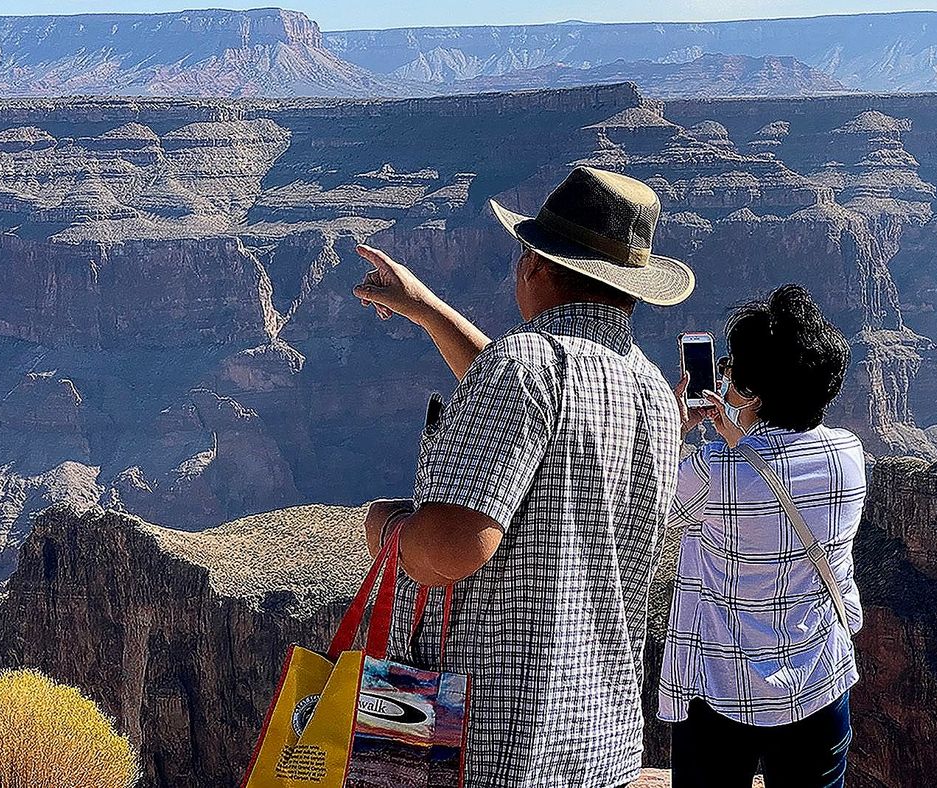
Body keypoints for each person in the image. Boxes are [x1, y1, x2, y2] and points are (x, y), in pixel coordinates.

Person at [351, 166, 694, 788]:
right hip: (596, 739)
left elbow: (457, 546)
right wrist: (427, 310)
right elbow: (537, 406)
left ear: (534, 265)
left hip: (482, 743)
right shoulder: (652, 394)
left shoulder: (523, 367)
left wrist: (388, 525)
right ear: (629, 287)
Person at [660, 285, 865, 788]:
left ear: (750, 391)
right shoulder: (849, 454)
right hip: (818, 683)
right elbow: (772, 471)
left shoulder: (712, 472)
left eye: (730, 371)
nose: (724, 379)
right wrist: (737, 436)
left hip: (720, 696)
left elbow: (648, 508)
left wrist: (677, 428)